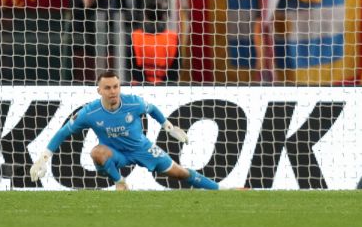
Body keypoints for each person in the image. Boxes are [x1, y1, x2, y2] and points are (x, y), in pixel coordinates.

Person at [30, 70, 220, 190]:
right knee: (97, 152)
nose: (113, 91)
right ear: (99, 91)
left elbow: (152, 109)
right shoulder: (89, 112)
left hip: (141, 148)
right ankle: (120, 182)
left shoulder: (133, 102)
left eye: (116, 86)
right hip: (115, 154)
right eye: (107, 88)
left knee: (180, 173)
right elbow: (63, 132)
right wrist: (43, 158)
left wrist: (168, 127)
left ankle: (217, 190)